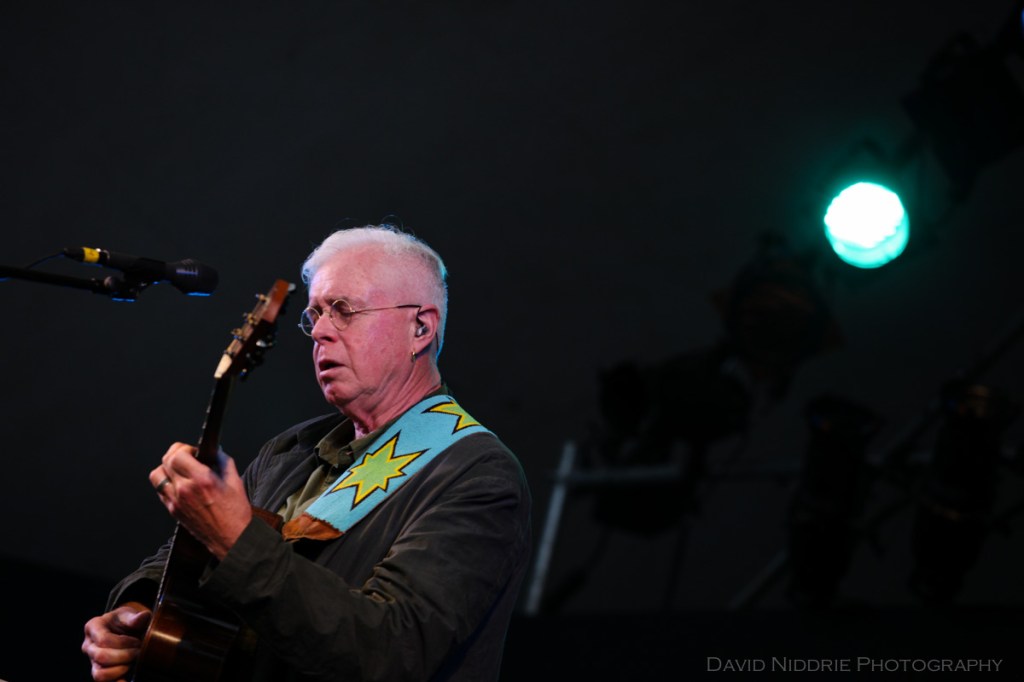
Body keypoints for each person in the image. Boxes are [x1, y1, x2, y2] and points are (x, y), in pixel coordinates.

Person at [81, 224, 533, 681]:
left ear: (420, 327)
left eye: (343, 310)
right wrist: (135, 614)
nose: (320, 331)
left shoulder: (477, 474)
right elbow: (177, 566)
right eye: (314, 314)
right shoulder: (289, 452)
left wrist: (237, 540)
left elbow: (390, 650)